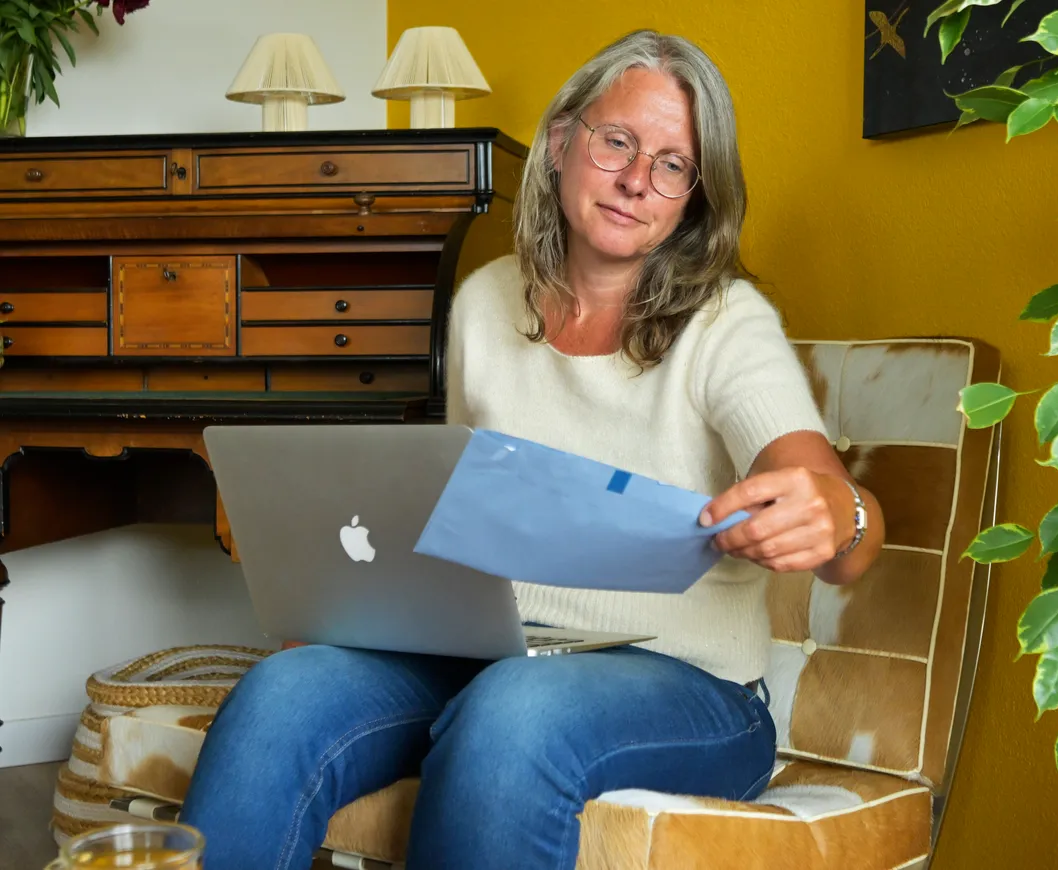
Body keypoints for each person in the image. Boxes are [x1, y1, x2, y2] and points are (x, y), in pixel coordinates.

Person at [179, 28, 884, 870]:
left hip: (691, 689)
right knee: (280, 696)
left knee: (513, 713)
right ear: (560, 142)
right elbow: (449, 507)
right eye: (617, 141)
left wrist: (835, 516)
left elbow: (837, 517)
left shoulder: (728, 325)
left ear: (694, 196)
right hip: (487, 650)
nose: (635, 181)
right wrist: (354, 613)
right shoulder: (482, 304)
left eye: (671, 164)